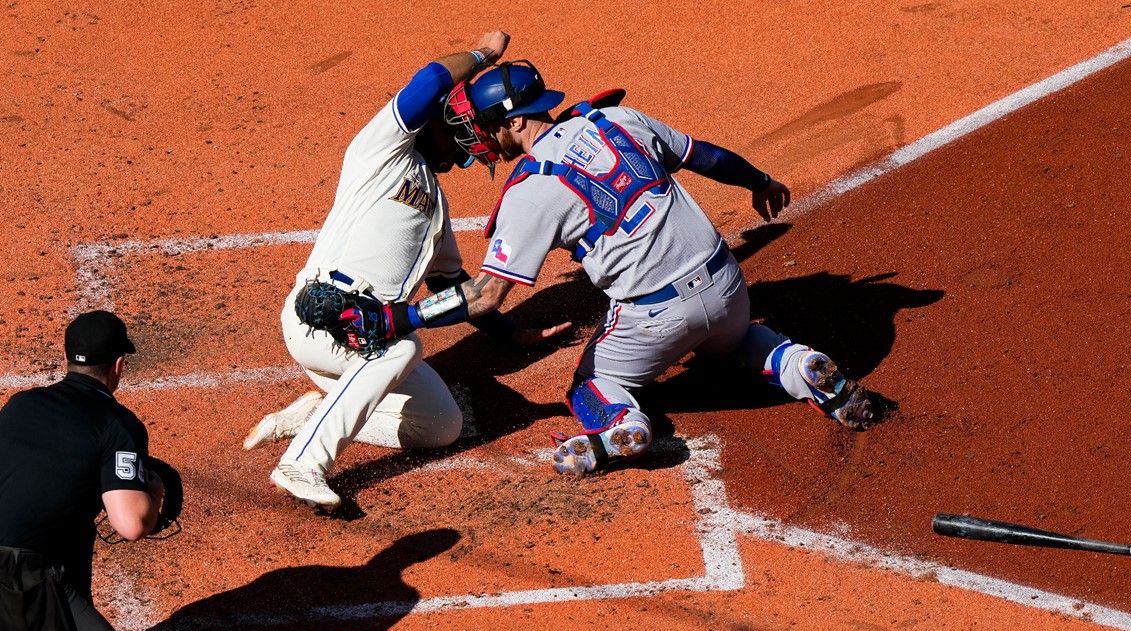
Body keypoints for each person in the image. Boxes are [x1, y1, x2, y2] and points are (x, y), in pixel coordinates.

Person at [364, 59, 875, 475]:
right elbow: (706, 157)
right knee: (734, 342)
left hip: (657, 320)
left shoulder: (529, 190)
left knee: (589, 383)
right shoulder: (617, 121)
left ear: (515, 120)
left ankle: (618, 428)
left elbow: (485, 296)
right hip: (727, 284)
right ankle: (799, 365)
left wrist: (400, 319)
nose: (483, 137)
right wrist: (760, 182)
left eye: (489, 125)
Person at [244, 32, 568, 511]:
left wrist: (511, 332)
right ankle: (303, 462)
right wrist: (484, 54)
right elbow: (429, 80)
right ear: (437, 121)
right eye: (460, 144)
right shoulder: (380, 152)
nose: (463, 158)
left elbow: (453, 286)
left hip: (365, 338)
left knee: (441, 425)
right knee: (403, 343)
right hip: (320, 316)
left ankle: (313, 415)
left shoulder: (436, 205)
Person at [0, 310, 164, 631]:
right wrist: (155, 493)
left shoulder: (19, 405)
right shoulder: (118, 425)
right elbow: (130, 524)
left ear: (65, 357)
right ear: (118, 365)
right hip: (22, 580)